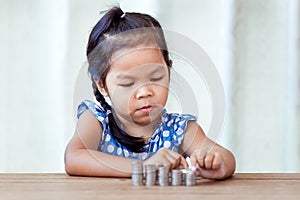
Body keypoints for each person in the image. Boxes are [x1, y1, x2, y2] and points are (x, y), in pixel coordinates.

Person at [64, 6, 236, 180]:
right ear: (102, 85)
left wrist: (215, 162)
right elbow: (74, 158)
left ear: (168, 69)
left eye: (155, 78)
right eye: (128, 83)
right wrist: (143, 167)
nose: (145, 92)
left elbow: (225, 157)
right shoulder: (96, 121)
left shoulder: (180, 129)